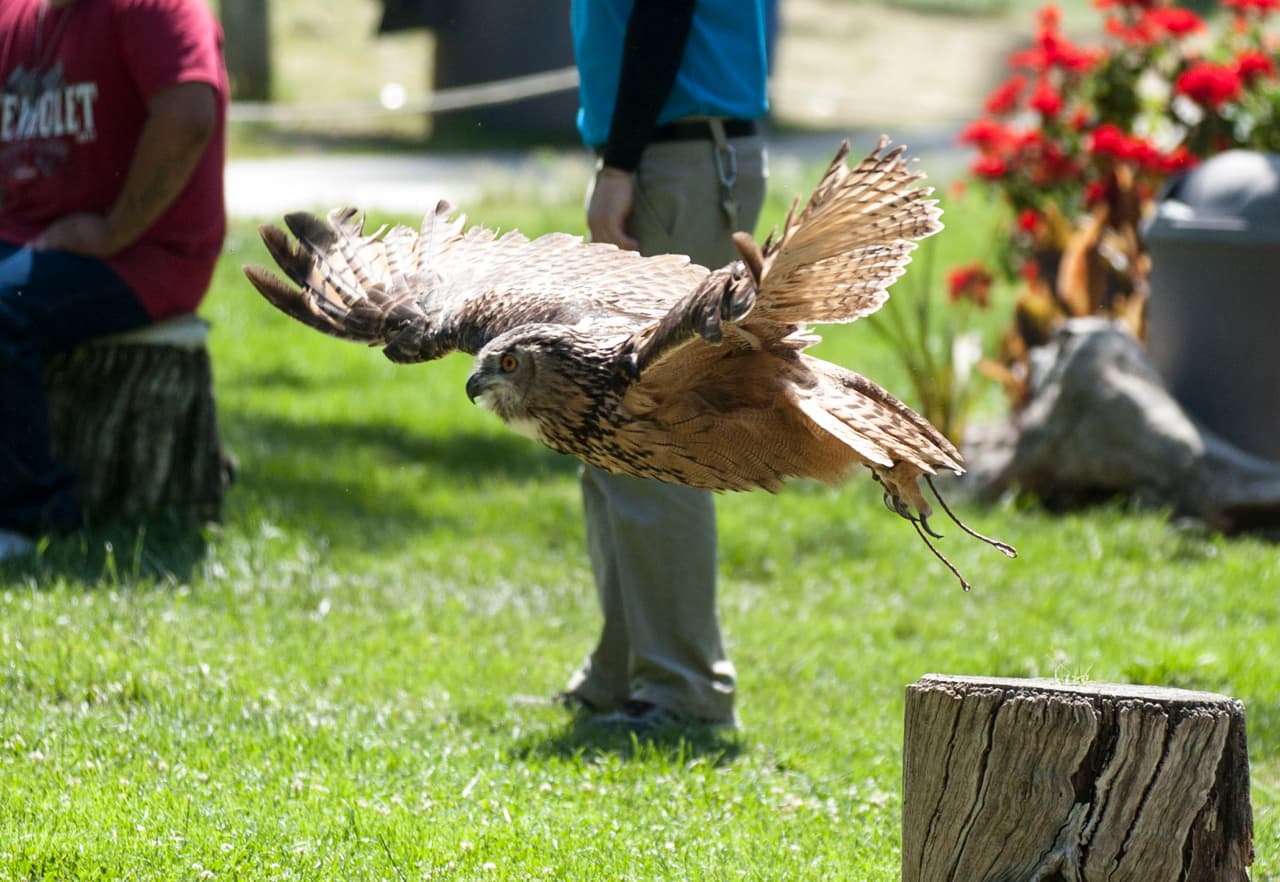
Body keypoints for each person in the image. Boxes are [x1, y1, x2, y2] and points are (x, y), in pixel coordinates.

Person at [563, 0, 769, 731]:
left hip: (672, 159)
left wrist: (619, 164)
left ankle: (683, 687)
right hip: (671, 152)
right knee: (603, 423)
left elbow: (664, 12)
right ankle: (625, 671)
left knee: (653, 430)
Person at [0, 0, 228, 560]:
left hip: (140, 255)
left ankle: (27, 516)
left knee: (3, 305)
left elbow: (189, 112)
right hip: (32, 236)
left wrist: (111, 231)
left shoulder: (156, 6)